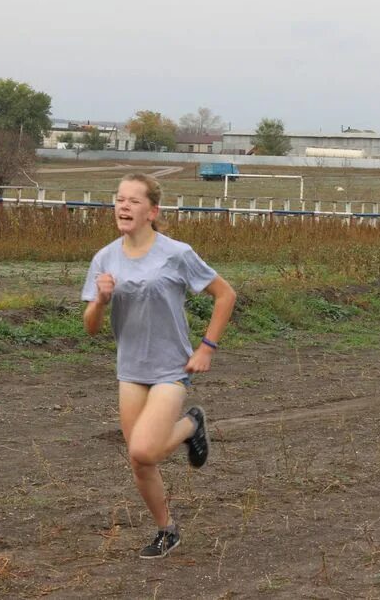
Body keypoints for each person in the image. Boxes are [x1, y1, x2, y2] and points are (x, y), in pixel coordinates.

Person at [82, 173, 237, 559]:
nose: (123, 206)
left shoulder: (176, 253)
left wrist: (207, 348)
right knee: (138, 460)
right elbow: (90, 328)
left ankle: (190, 424)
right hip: (130, 369)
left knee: (146, 450)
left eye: (134, 201)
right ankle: (167, 530)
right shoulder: (105, 257)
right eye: (119, 199)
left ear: (152, 211)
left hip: (171, 367)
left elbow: (225, 294)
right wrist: (100, 300)